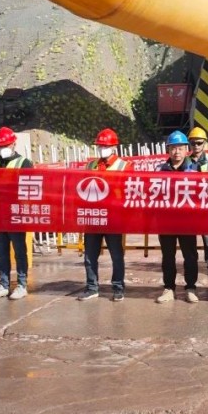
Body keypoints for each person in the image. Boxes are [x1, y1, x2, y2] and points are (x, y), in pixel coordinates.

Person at [77, 128, 130, 302]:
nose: (102, 149)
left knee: (116, 255)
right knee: (90, 255)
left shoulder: (124, 166)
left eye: (105, 146)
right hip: (93, 216)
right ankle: (92, 287)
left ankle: (118, 287)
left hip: (113, 217)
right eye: (99, 146)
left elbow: (129, 190)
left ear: (114, 147)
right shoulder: (90, 165)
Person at [0, 126, 34, 301]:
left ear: (14, 144)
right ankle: (4, 285)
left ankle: (22, 285)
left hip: (16, 215)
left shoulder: (24, 163)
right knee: (1, 252)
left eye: (5, 145)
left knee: (19, 251)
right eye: (0, 146)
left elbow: (30, 189)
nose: (2, 149)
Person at [155, 131, 200, 305]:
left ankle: (191, 288)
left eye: (180, 148)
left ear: (186, 149)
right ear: (168, 150)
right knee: (168, 255)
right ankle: (169, 288)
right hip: (166, 220)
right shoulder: (160, 170)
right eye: (173, 148)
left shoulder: (194, 169)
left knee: (190, 256)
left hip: (188, 220)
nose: (176, 152)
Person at [186, 126, 208, 277]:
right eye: (193, 143)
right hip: (190, 204)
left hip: (207, 204)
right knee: (189, 237)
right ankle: (191, 263)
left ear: (205, 143)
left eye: (199, 143)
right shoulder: (185, 161)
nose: (196, 146)